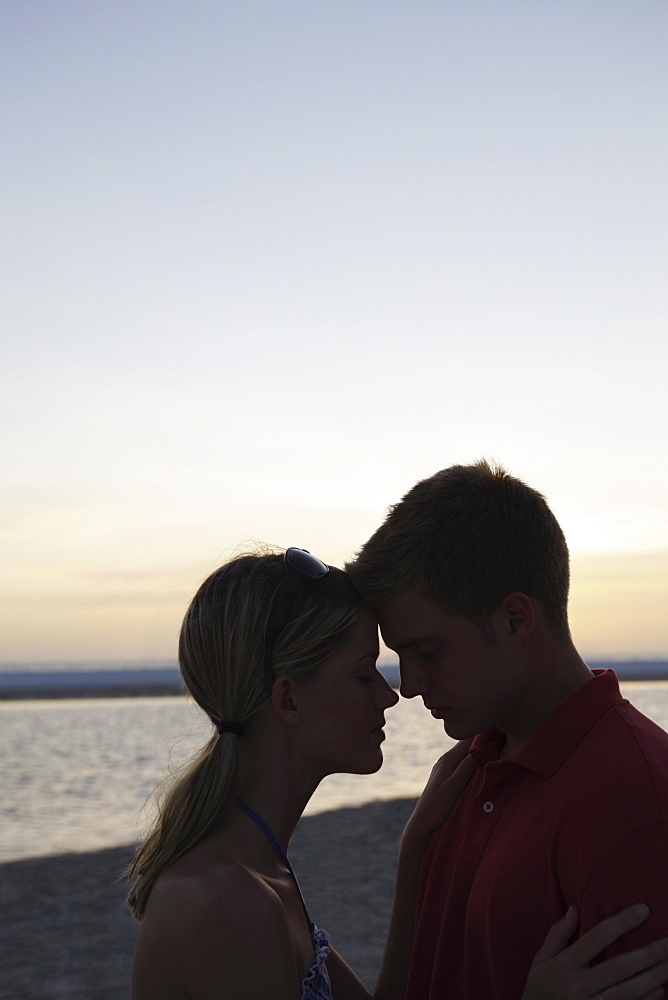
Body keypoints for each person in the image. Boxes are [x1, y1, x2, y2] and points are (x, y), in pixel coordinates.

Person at [127, 548, 668, 1000]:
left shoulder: (259, 868)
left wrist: (416, 848)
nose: (393, 694)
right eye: (366, 674)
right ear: (288, 699)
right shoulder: (226, 901)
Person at [345, 460, 668, 1000]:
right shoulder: (470, 769)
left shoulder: (635, 799)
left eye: (426, 651)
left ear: (516, 619)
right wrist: (415, 854)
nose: (408, 685)